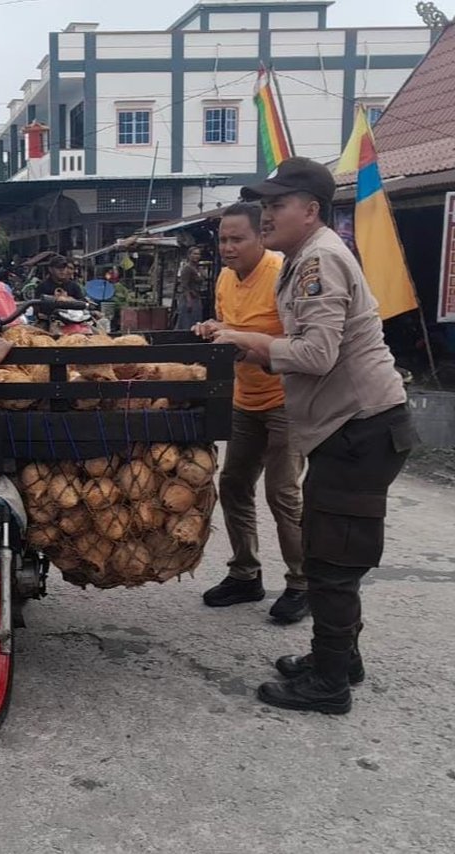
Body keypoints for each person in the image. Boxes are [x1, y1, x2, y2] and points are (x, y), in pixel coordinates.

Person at [214, 157, 418, 715]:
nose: (267, 213)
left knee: (330, 559)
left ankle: (328, 683)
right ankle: (339, 658)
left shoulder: (319, 260)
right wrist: (254, 346)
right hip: (351, 427)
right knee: (334, 550)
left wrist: (246, 339)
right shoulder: (309, 255)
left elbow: (317, 353)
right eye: (266, 203)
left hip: (359, 427)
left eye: (277, 204)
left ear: (311, 210)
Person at [194, 202, 309, 623]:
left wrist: (240, 339)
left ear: (262, 236)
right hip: (245, 398)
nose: (227, 247)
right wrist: (212, 329)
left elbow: (303, 343)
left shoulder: (283, 275)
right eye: (223, 239)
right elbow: (230, 329)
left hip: (286, 400)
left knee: (282, 493)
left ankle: (302, 583)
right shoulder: (226, 277)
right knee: (235, 485)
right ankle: (246, 573)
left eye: (237, 238)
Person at [176, 247, 204, 329]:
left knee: (196, 322)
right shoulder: (187, 268)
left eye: (198, 254)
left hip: (196, 297)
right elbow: (184, 286)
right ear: (189, 255)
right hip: (188, 299)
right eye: (194, 254)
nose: (197, 256)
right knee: (187, 322)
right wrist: (189, 301)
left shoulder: (197, 268)